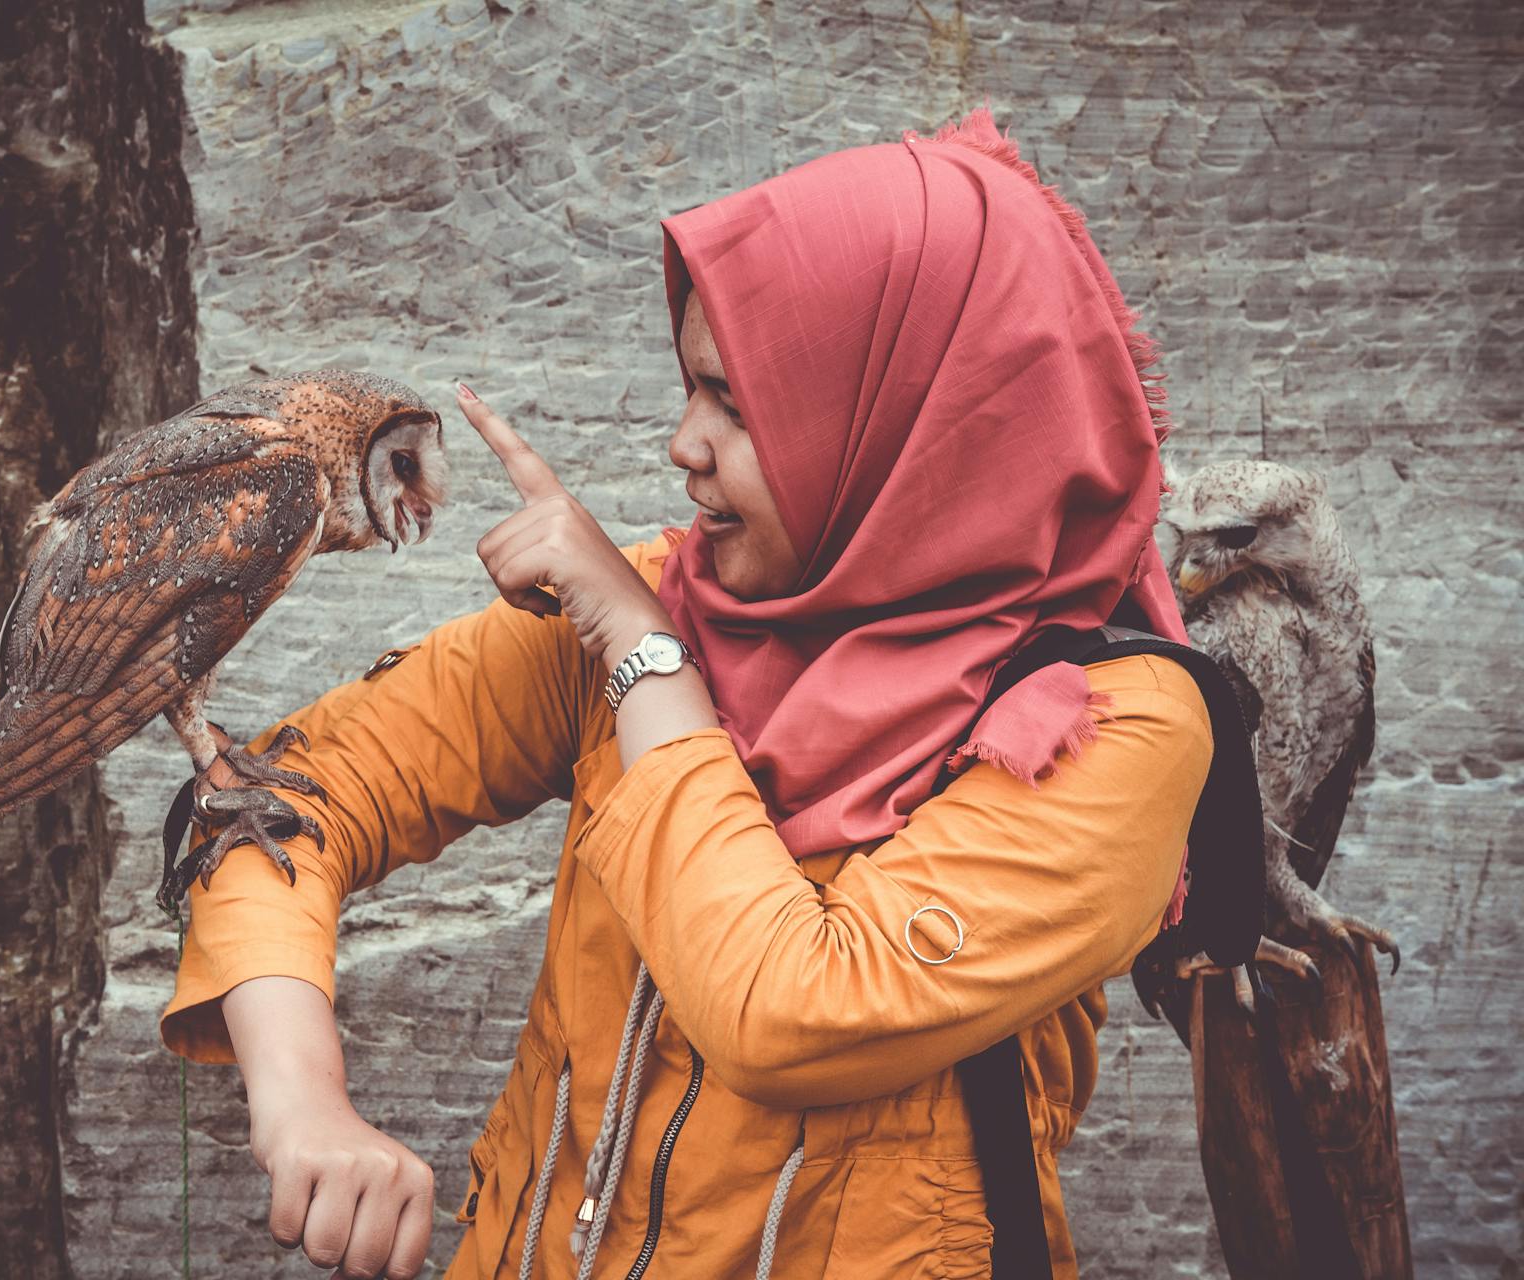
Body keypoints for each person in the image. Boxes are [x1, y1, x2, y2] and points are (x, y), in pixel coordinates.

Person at [160, 108, 1208, 1279]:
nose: (681, 443)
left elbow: (791, 1008)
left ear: (909, 419)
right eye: (689, 386)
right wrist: (305, 1103)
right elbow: (274, 799)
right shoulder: (673, 601)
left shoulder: (1105, 727)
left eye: (739, 401)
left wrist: (644, 659)